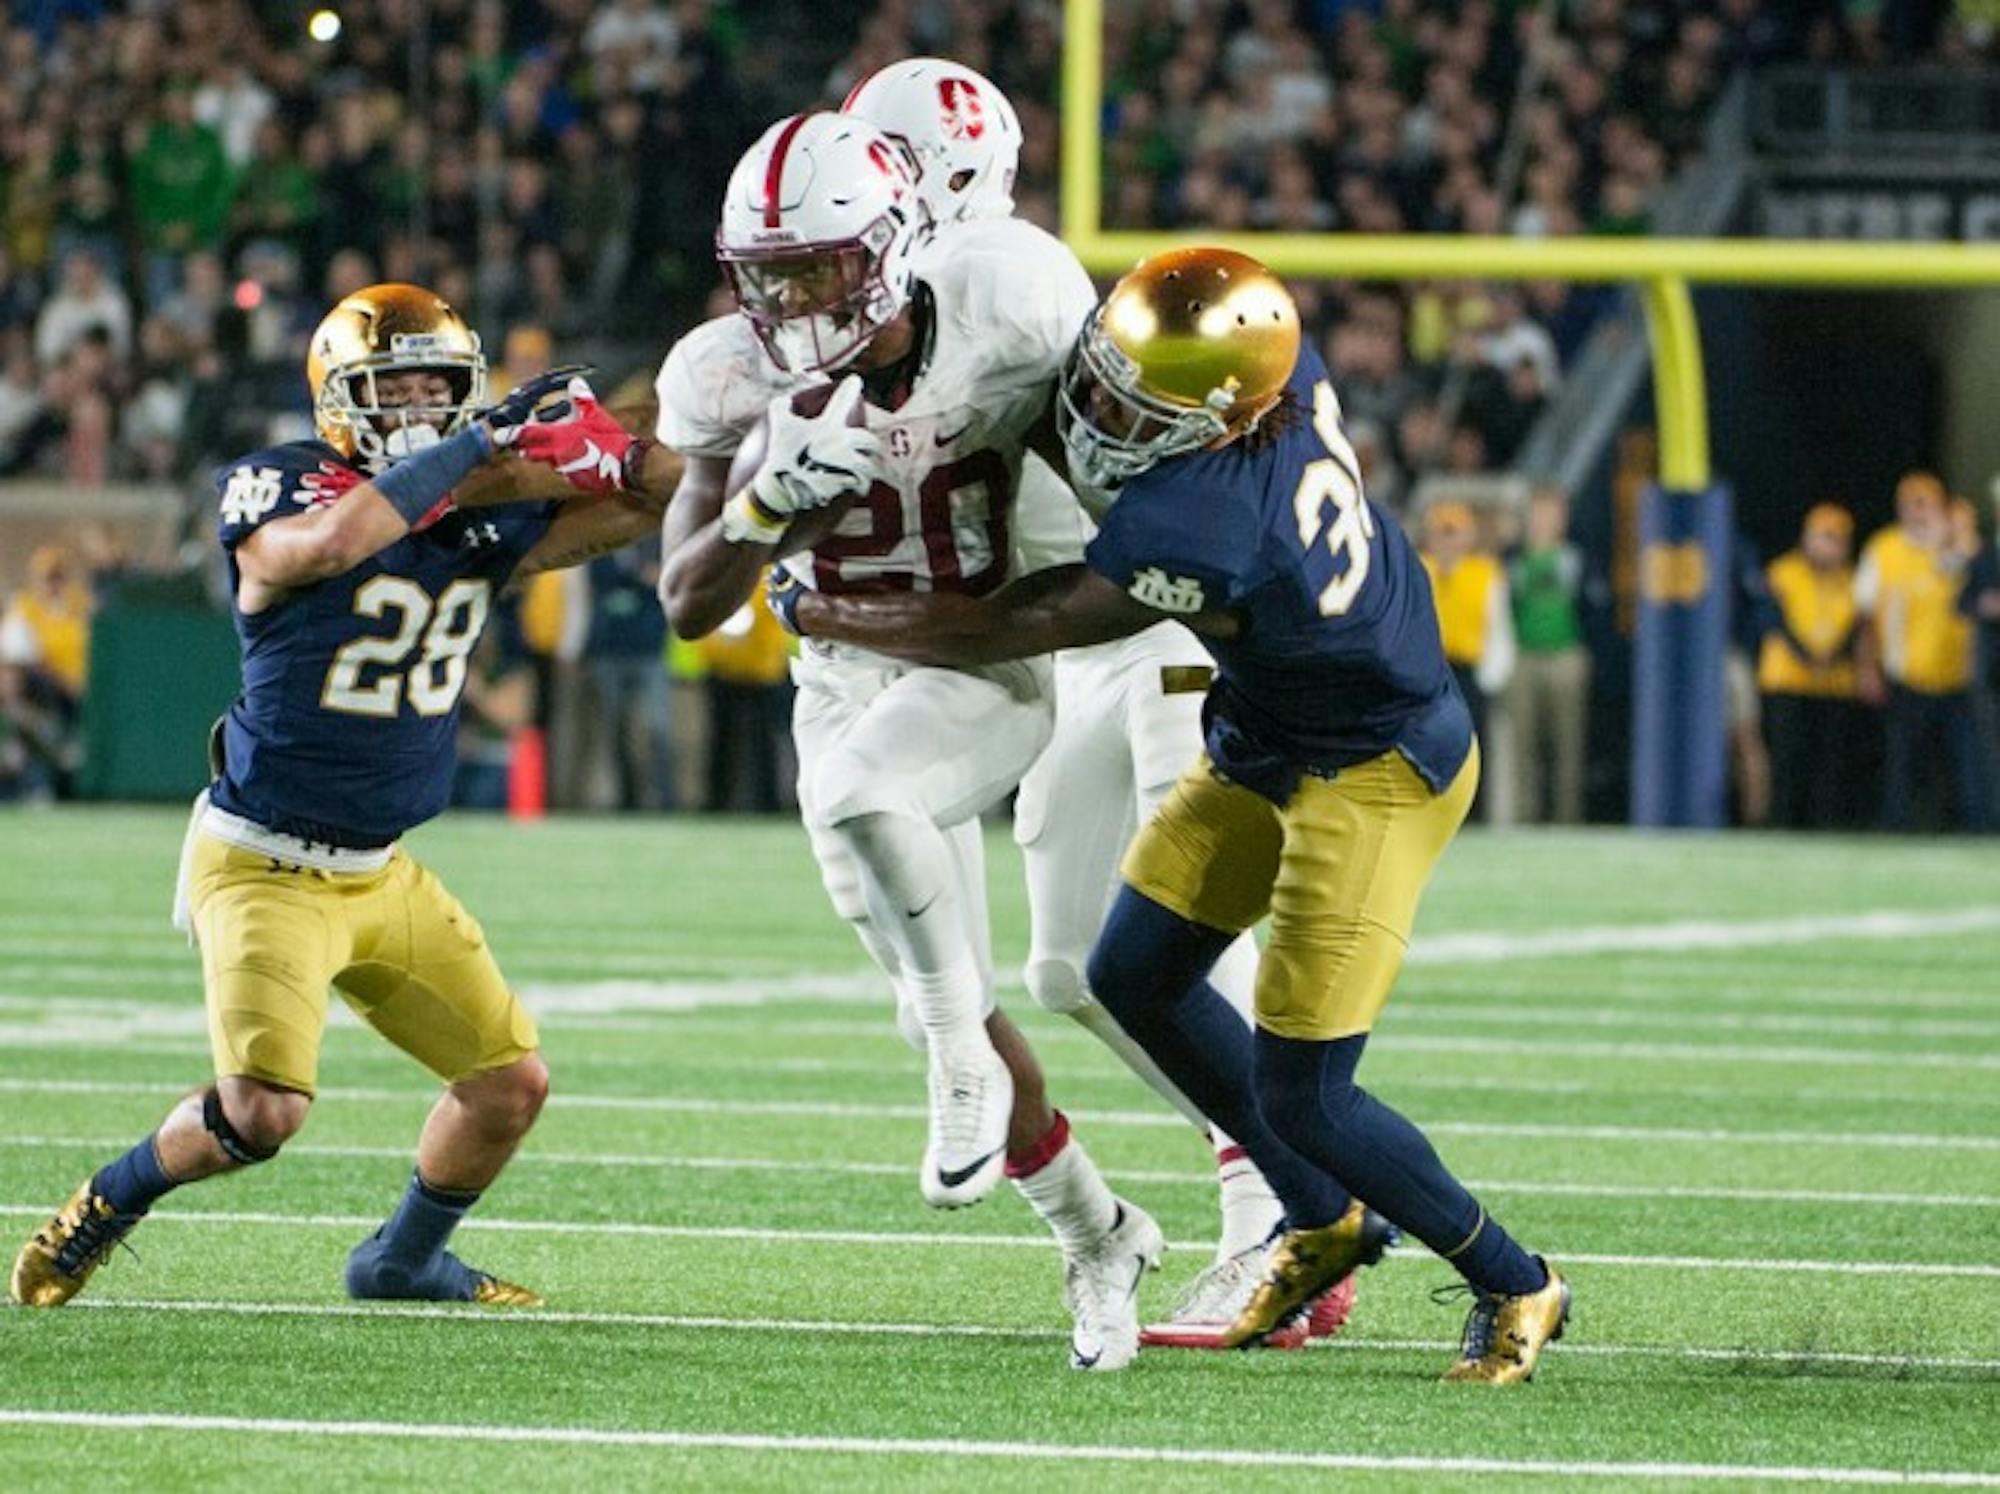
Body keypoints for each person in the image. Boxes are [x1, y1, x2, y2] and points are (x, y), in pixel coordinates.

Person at [772, 247, 1569, 1385]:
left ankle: (1512, 1277)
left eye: (1123, 405)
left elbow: (1029, 616)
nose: (1092, 415)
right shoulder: (1264, 394)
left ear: (1210, 419)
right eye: (1096, 380)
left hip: (1371, 766)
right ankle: (1318, 1222)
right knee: (1130, 973)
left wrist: (829, 607)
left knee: (1307, 1090)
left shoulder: (1203, 517)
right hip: (1269, 728)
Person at [11, 282, 675, 1310]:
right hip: (262, 862)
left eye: (436, 386)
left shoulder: (477, 510)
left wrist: (629, 452)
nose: (416, 404)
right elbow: (323, 547)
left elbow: (643, 503)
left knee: (509, 1086)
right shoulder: (280, 483)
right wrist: (473, 452)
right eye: (393, 384)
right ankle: (110, 1199)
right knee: (261, 1116)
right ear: (338, 397)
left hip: (380, 869)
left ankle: (399, 1261)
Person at [656, 110, 1161, 1371]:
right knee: (932, 979)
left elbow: (1108, 518)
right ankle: (1099, 1234)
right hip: (834, 676)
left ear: (885, 247)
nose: (790, 298)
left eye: (815, 267)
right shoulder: (728, 371)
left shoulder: (1001, 316)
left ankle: (958, 1050)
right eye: (766, 275)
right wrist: (770, 502)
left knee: (862, 806)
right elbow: (685, 599)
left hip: (977, 664)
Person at [845, 57, 1310, 1351]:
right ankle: (1281, 1178)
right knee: (1068, 968)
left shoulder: (1004, 271)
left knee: (1184, 927)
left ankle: (1284, 1218)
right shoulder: (904, 297)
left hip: (1152, 616)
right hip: (1069, 649)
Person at [1855, 471, 1987, 832]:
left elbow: (1980, 580)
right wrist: (1867, 668)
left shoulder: (1962, 549)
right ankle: (1897, 829)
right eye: (1910, 505)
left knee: (1966, 764)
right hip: (1906, 677)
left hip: (1959, 677)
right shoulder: (1885, 548)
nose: (1918, 512)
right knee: (1903, 764)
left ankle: (1971, 832)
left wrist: (1961, 536)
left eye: (1925, 504)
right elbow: (1865, 617)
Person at [1759, 504, 1861, 830]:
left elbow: (1858, 626)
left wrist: (1833, 658)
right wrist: (1808, 657)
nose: (1826, 546)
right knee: (1788, 761)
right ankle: (1781, 824)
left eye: (1835, 539)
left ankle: (1825, 826)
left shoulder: (1853, 580)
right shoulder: (1783, 572)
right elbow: (1776, 620)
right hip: (1788, 679)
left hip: (1835, 683)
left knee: (1829, 764)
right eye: (1821, 537)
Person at [1508, 486, 1590, 823]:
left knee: (1568, 744)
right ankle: (1526, 817)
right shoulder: (1514, 560)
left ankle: (1566, 818)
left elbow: (1589, 607)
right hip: (1524, 656)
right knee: (1523, 744)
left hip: (1565, 656)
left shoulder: (1575, 558)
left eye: (1551, 514)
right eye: (1538, 513)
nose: (1543, 521)